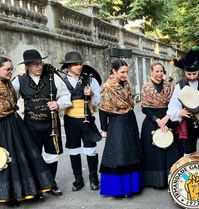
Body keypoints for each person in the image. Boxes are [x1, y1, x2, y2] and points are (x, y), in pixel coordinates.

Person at [12, 49, 72, 196]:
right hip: (30, 126)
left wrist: (58, 104)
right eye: (35, 64)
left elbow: (66, 95)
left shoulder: (53, 78)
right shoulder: (19, 80)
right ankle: (37, 187)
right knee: (34, 155)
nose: (39, 66)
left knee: (52, 155)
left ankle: (51, 183)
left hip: (51, 124)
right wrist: (16, 110)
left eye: (40, 63)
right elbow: (8, 97)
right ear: (27, 66)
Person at [0, 56, 57, 207]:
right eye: (7, 69)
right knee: (6, 160)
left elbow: (13, 101)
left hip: (14, 122)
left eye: (11, 69)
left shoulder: (9, 83)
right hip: (1, 125)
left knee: (20, 158)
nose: (10, 72)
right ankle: (8, 196)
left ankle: (25, 192)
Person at [99, 59, 143, 197]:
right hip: (116, 123)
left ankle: (132, 187)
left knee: (131, 152)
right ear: (114, 71)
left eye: (126, 72)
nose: (125, 75)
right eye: (122, 72)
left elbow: (130, 103)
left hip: (130, 121)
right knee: (120, 154)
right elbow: (103, 110)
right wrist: (104, 129)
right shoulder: (108, 88)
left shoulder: (127, 85)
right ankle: (118, 189)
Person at [59, 51, 101, 192]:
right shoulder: (61, 79)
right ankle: (78, 179)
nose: (79, 66)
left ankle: (94, 178)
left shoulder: (90, 79)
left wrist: (92, 94)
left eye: (80, 63)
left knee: (90, 149)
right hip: (71, 121)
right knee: (74, 150)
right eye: (75, 64)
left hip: (87, 118)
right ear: (68, 65)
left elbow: (99, 101)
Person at [140, 62, 180, 189]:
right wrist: (158, 121)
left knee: (171, 150)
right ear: (151, 72)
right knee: (154, 152)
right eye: (156, 71)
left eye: (161, 71)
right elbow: (145, 108)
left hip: (169, 118)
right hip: (152, 120)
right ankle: (155, 181)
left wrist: (167, 118)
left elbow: (175, 104)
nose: (159, 74)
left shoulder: (170, 86)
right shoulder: (146, 87)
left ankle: (172, 178)